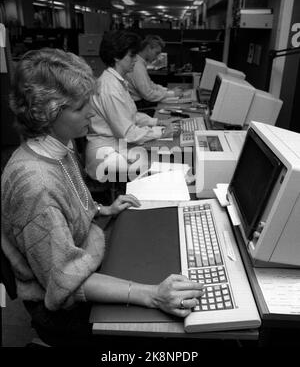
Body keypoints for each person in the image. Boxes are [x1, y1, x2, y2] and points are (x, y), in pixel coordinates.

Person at [1, 48, 204, 346]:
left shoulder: (59, 146)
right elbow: (65, 282)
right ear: (49, 113)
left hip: (86, 258)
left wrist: (102, 208)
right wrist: (150, 295)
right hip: (62, 310)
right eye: (82, 106)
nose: (92, 112)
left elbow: (66, 204)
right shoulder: (35, 185)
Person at [85, 30, 180, 182]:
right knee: (163, 169)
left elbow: (132, 116)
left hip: (118, 146)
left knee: (163, 163)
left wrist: (158, 122)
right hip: (105, 156)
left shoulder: (117, 81)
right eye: (131, 55)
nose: (136, 60)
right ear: (117, 56)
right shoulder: (110, 88)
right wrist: (161, 132)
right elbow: (129, 134)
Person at [126, 35, 183, 110]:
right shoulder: (137, 66)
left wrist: (168, 90)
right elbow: (148, 94)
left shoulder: (140, 63)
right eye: (156, 53)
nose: (157, 57)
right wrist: (172, 94)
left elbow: (150, 84)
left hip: (141, 103)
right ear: (148, 48)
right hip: (139, 106)